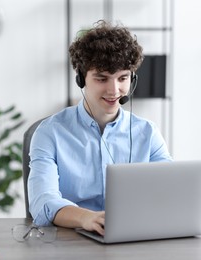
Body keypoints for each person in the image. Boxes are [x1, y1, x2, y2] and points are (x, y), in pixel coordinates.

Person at [28, 20, 172, 236]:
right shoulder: (50, 133)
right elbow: (42, 203)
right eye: (102, 79)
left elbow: (170, 191)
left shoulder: (148, 133)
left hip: (134, 238)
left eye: (122, 78)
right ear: (81, 79)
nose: (114, 90)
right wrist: (86, 217)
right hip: (71, 241)